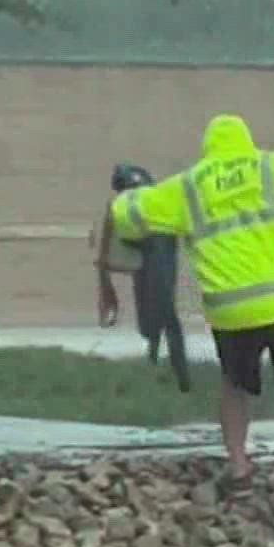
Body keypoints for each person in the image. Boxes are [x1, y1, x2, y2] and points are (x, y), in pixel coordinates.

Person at [98, 114, 274, 491]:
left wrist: (124, 201)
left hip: (232, 310)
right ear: (247, 141)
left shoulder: (189, 186)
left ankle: (239, 467)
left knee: (235, 385)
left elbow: (127, 213)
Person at [108, 163, 191, 389]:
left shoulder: (122, 203)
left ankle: (173, 369)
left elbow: (119, 240)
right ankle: (176, 372)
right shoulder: (155, 195)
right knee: (165, 309)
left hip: (145, 246)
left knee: (152, 308)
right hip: (163, 243)